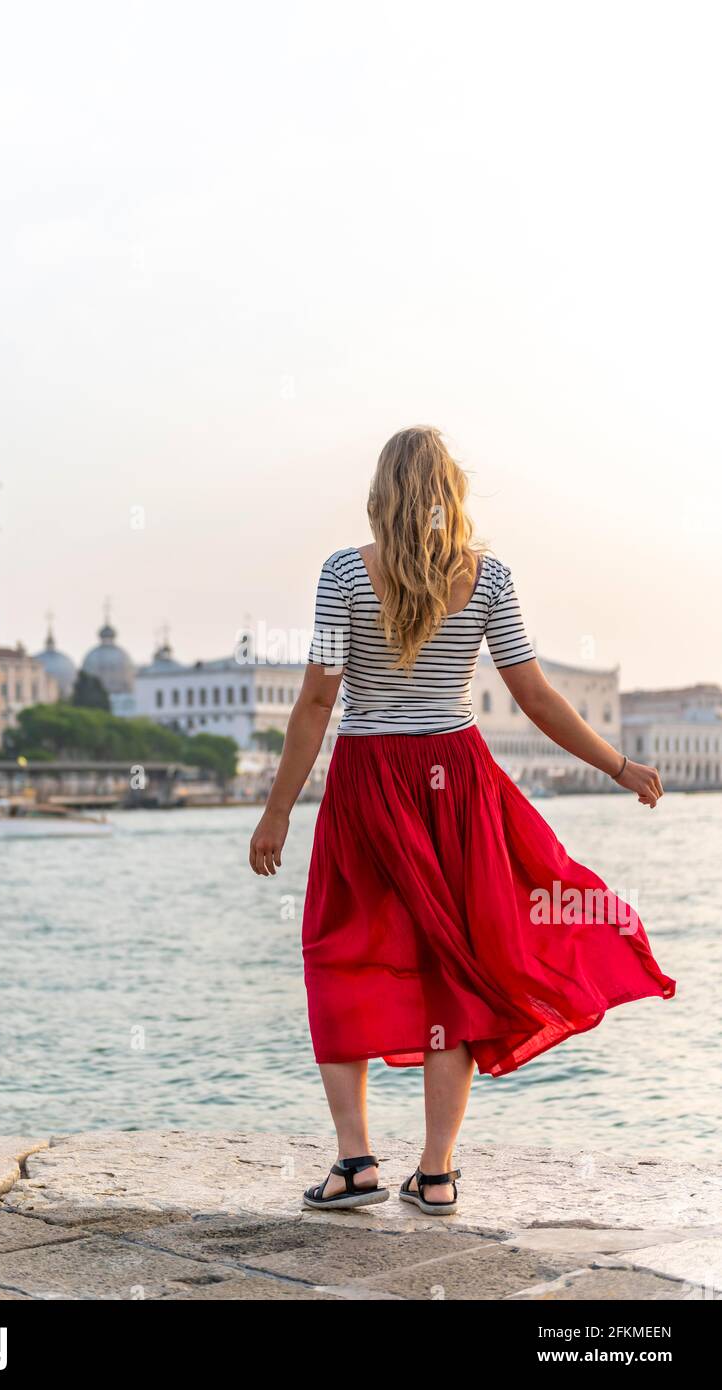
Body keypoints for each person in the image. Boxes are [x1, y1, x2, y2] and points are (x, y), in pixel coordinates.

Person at [248, 425, 675, 1214]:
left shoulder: (346, 571)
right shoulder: (488, 577)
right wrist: (617, 765)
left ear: (381, 492)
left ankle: (355, 1165)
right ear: (452, 493)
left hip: (369, 779)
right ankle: (436, 1175)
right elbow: (536, 695)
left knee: (339, 952)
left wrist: (276, 814)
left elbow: (316, 699)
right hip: (458, 782)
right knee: (455, 964)